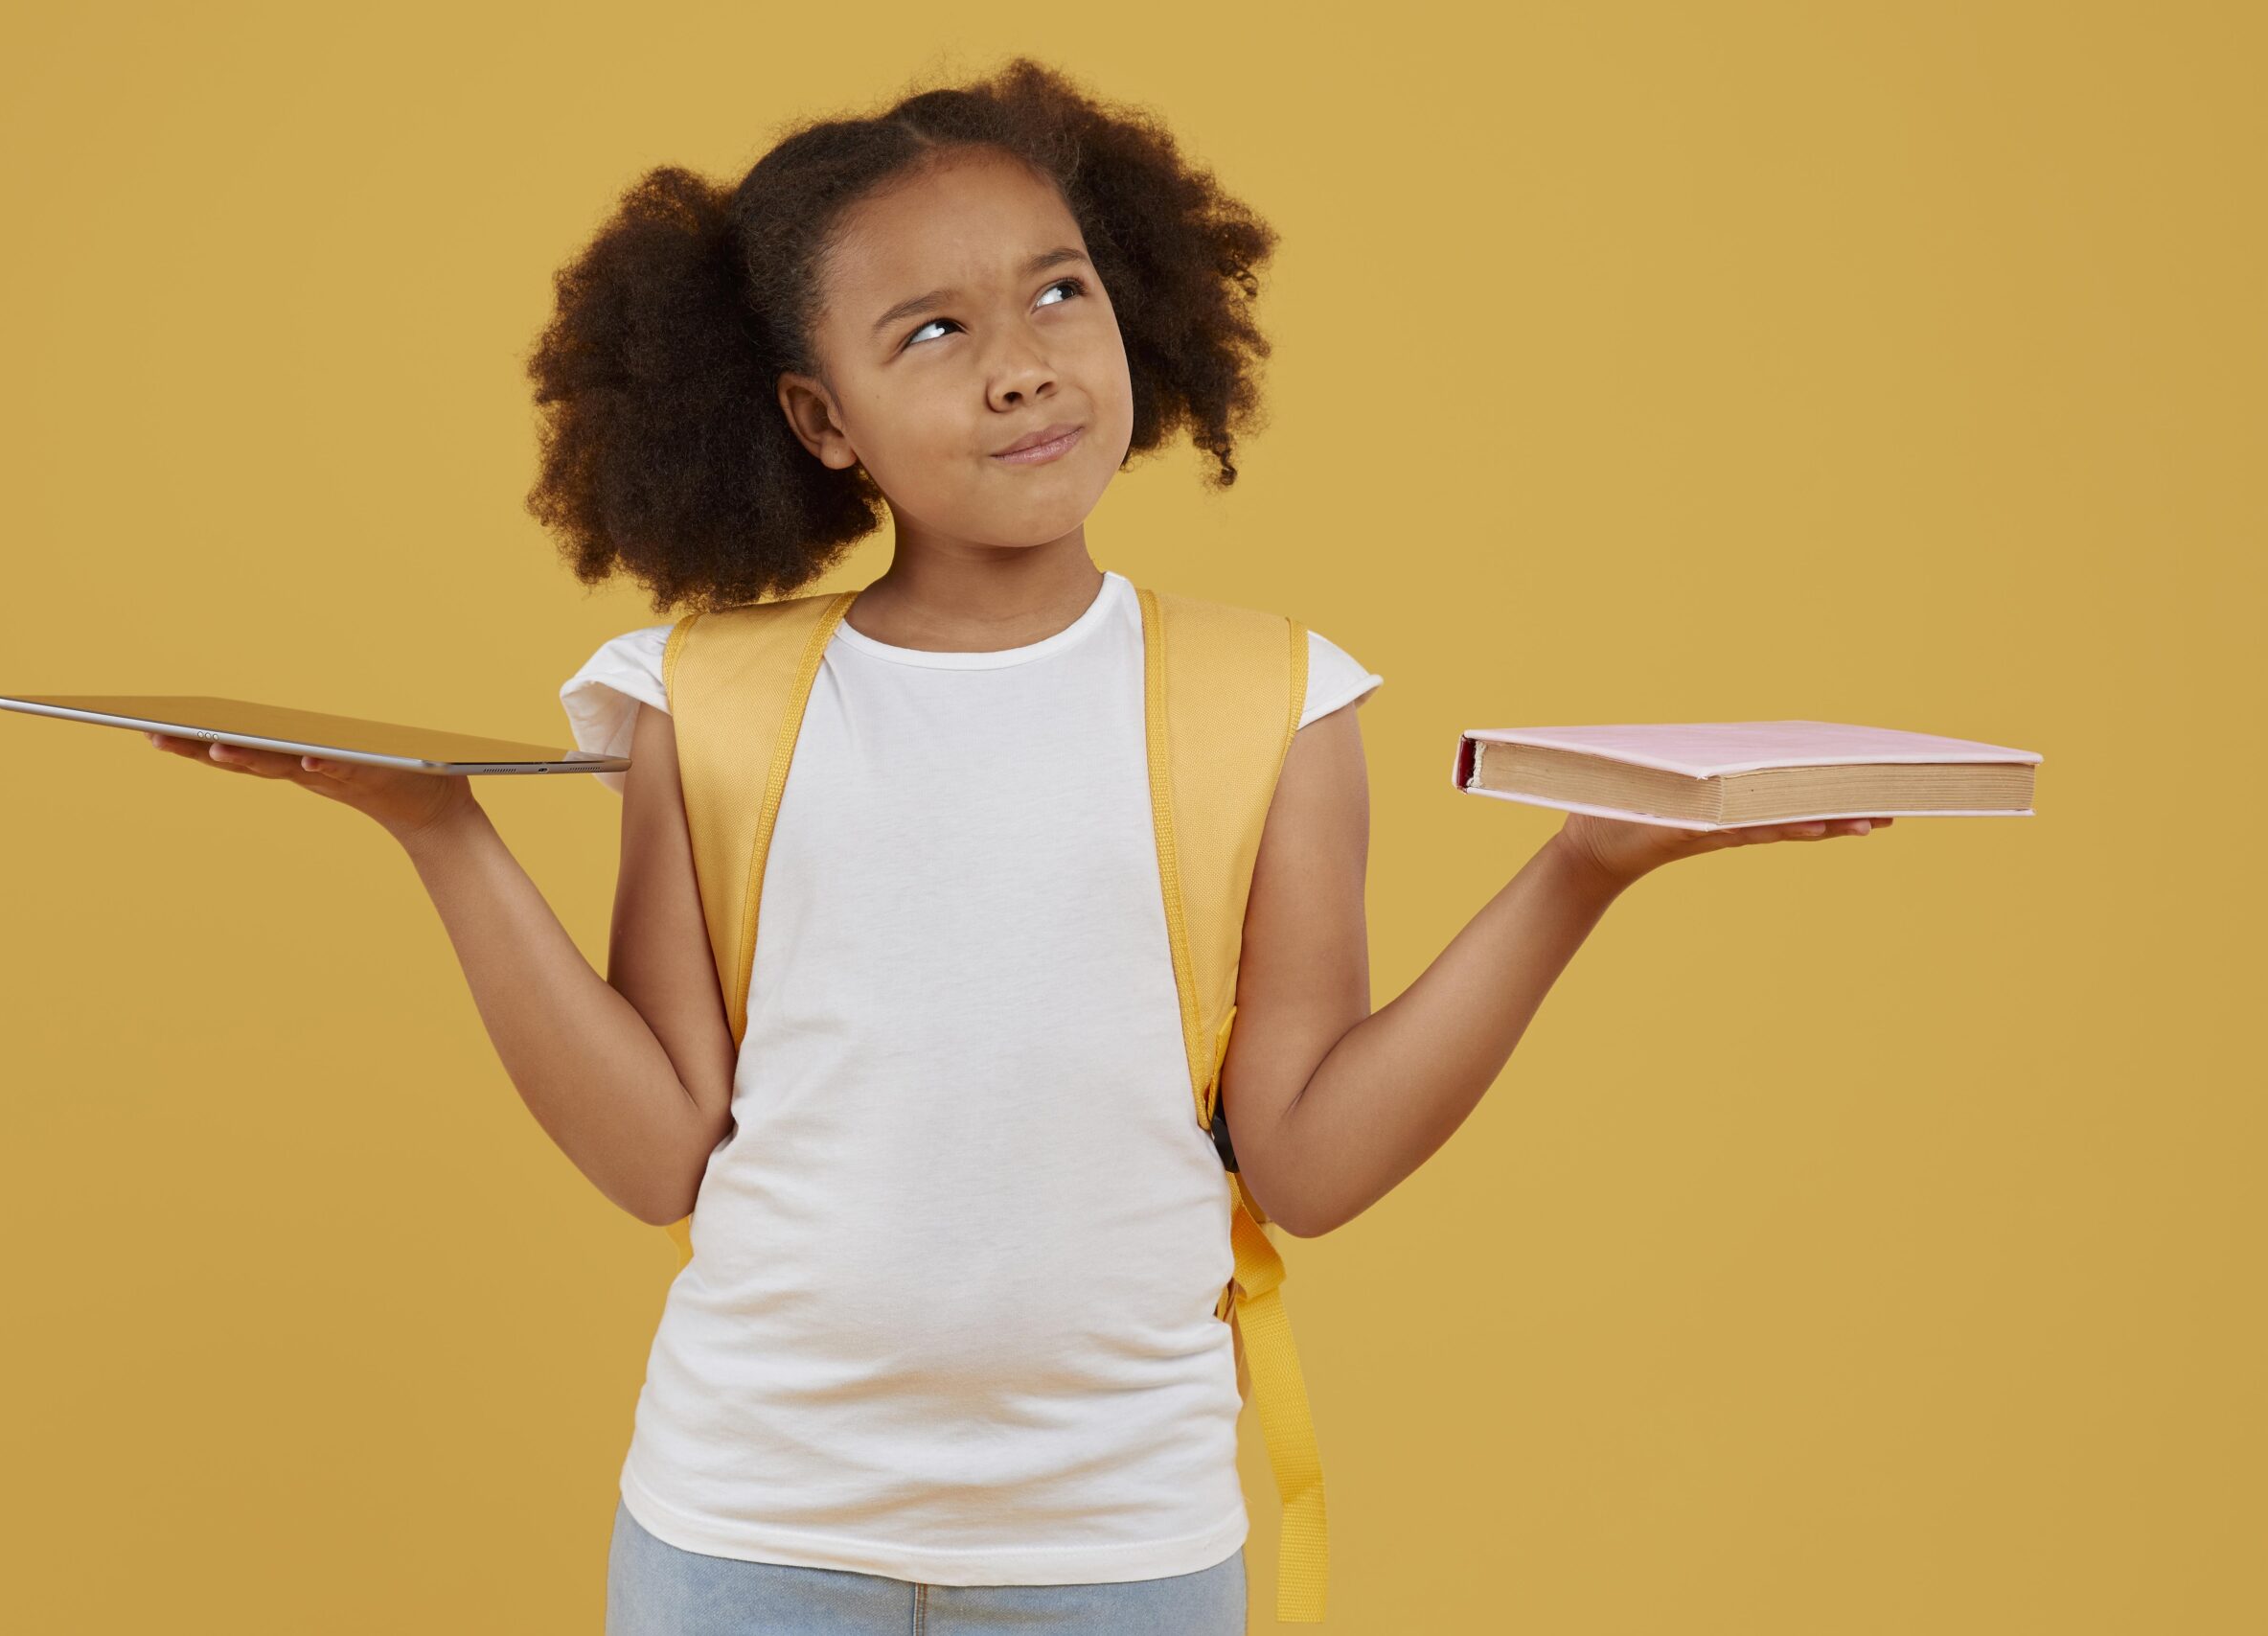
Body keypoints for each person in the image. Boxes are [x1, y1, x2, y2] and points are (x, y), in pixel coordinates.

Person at [145, 56, 1893, 1636]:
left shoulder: (1275, 698)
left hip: (1118, 1549)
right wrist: (438, 832)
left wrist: (1583, 869)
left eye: (1059, 293)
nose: (1025, 367)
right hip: (746, 1527)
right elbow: (655, 1150)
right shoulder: (707, 697)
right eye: (931, 333)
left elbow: (1314, 1163)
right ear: (820, 420)